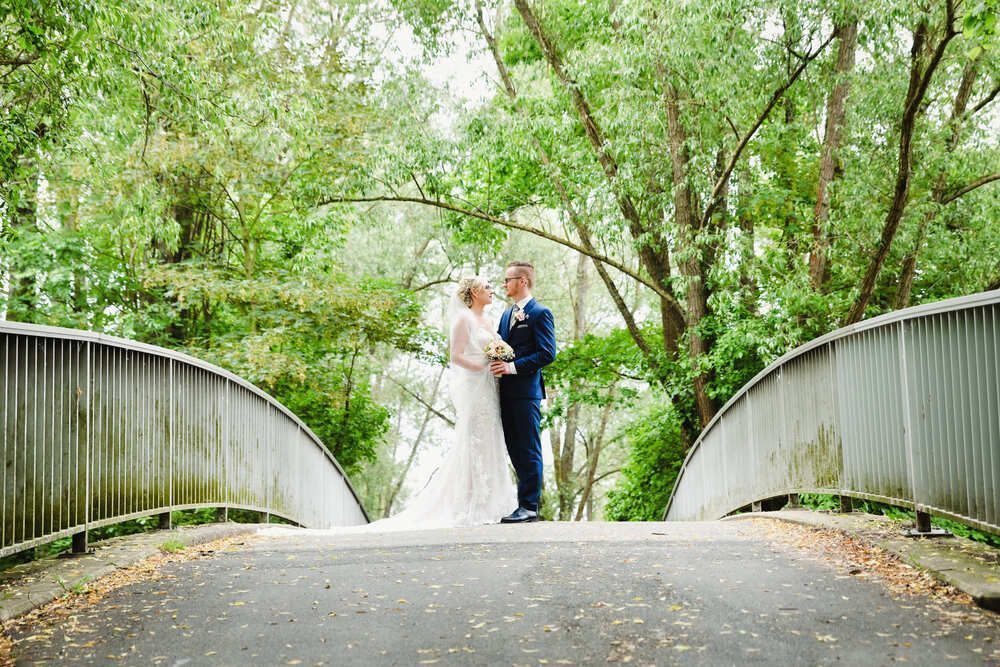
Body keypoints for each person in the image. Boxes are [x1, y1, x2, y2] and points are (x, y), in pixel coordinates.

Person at [490, 262, 557, 524]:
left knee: (529, 449)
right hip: (504, 392)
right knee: (514, 449)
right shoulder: (507, 315)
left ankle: (529, 507)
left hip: (526, 393)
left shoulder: (541, 313)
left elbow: (547, 353)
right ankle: (521, 504)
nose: (504, 285)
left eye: (508, 280)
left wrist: (512, 367)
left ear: (523, 281)